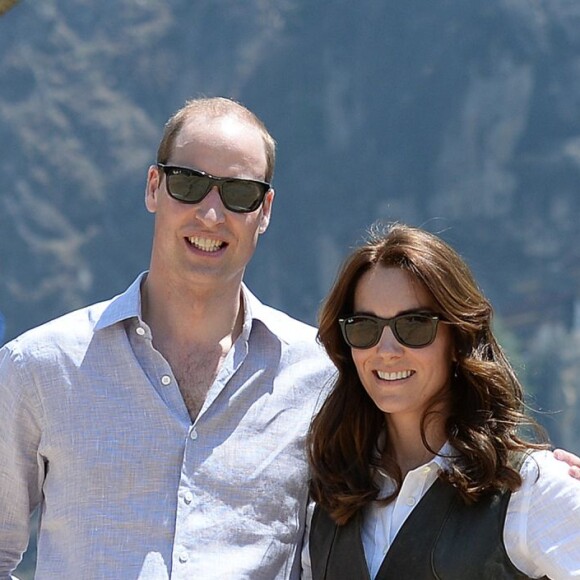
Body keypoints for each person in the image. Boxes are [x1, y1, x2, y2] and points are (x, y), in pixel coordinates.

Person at [0, 97, 335, 579]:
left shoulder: (319, 380)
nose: (212, 214)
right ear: (154, 187)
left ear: (265, 210)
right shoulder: (39, 366)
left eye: (238, 193)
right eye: (190, 183)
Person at [303, 223, 580, 579]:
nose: (386, 350)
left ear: (458, 339)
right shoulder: (326, 501)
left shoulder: (529, 488)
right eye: (364, 327)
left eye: (415, 325)